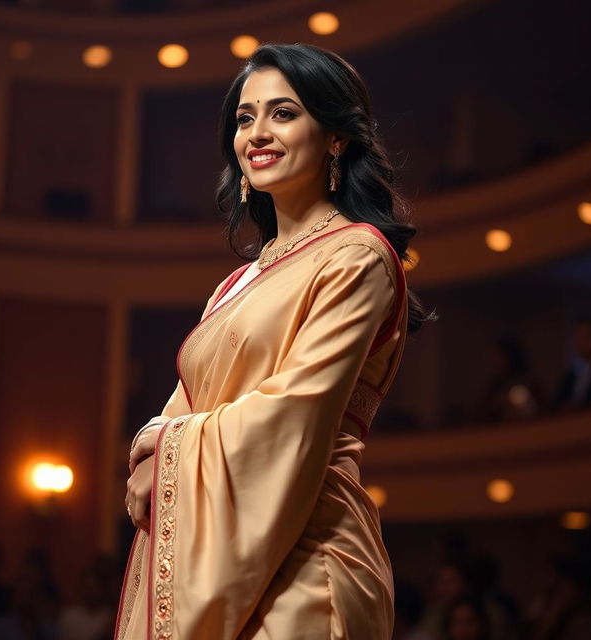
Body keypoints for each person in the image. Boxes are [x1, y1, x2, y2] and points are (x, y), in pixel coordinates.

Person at [114, 42, 436, 639]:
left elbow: (297, 412)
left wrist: (161, 443)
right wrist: (158, 448)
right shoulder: (237, 281)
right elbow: (191, 400)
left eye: (283, 114)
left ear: (336, 137)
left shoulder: (357, 256)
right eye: (245, 117)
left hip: (311, 566)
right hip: (221, 545)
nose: (257, 134)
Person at [552, 315, 591, 412]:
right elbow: (558, 398)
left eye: (586, 336)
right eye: (579, 337)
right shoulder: (574, 370)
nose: (582, 342)